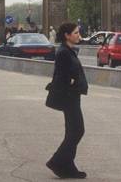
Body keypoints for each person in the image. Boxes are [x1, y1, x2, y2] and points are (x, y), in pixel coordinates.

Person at [46, 22, 88, 180]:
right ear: (67, 35)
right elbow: (62, 75)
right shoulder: (64, 52)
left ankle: (68, 166)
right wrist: (72, 82)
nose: (78, 35)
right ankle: (57, 161)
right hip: (69, 97)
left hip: (72, 96)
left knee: (73, 131)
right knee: (77, 130)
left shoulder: (68, 50)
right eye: (76, 33)